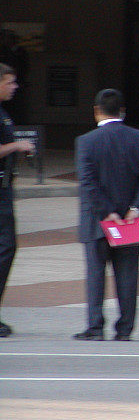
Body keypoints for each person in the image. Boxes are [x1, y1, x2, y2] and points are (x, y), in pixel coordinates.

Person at [73, 89, 139, 341]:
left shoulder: (86, 141)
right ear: (122, 111)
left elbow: (87, 183)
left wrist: (106, 211)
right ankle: (125, 329)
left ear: (97, 111)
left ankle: (95, 327)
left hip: (98, 221)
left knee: (96, 275)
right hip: (131, 222)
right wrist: (135, 208)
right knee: (128, 276)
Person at [0, 64, 36, 337]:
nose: (15, 87)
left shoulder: (4, 113)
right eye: (10, 82)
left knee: (7, 249)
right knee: (6, 248)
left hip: (5, 188)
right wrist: (17, 146)